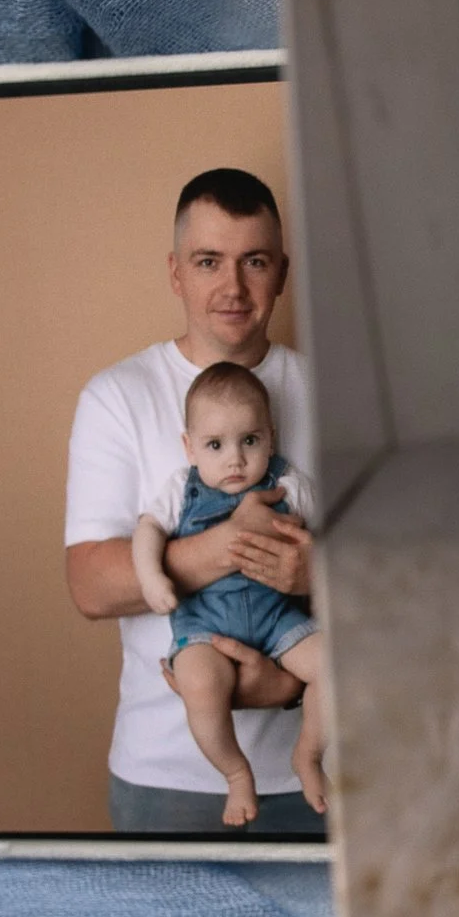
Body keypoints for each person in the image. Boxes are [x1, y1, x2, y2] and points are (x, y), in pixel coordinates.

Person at [64, 167, 324, 834]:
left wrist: (315, 581)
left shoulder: (336, 393)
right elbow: (91, 583)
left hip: (320, 779)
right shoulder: (116, 396)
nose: (233, 287)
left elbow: (403, 579)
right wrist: (228, 545)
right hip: (163, 780)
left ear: (283, 273)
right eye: (209, 261)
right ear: (176, 271)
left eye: (254, 261)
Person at [130, 364, 324, 826]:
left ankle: (308, 754)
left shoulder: (290, 486)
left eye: (250, 441)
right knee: (199, 683)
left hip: (279, 620)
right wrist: (153, 578)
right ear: (190, 447)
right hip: (205, 627)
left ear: (270, 438)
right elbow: (147, 530)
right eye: (216, 446)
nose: (235, 460)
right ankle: (236, 773)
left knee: (337, 666)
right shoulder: (182, 489)